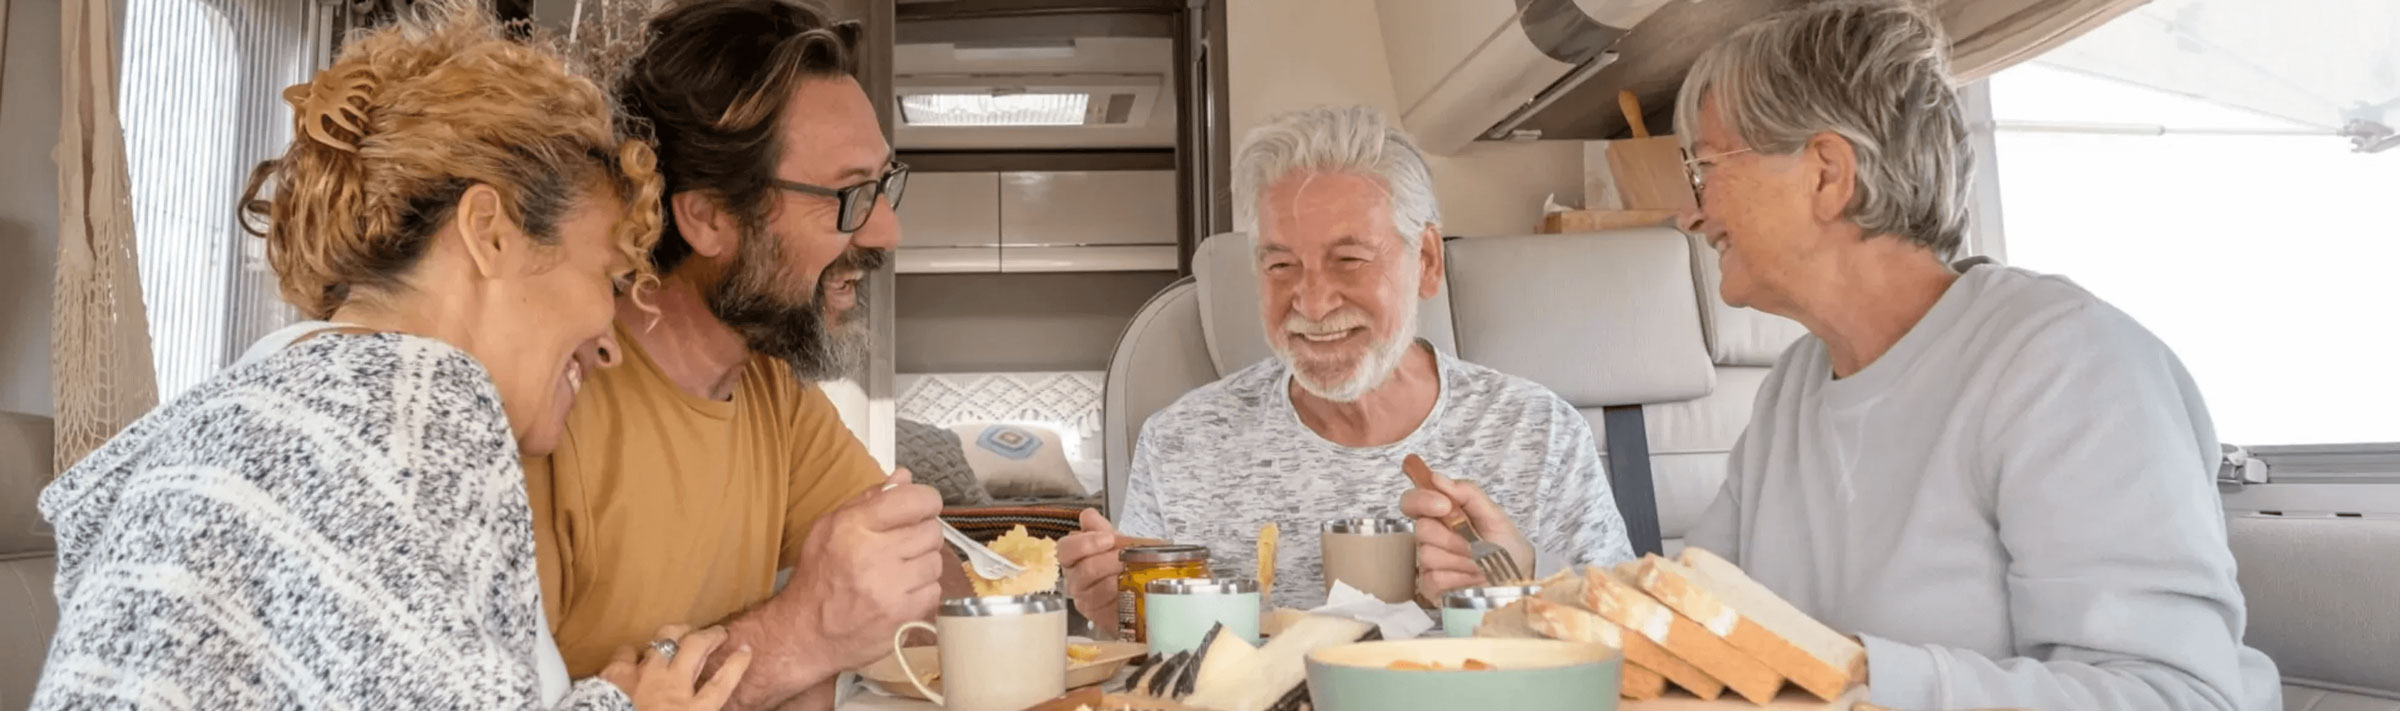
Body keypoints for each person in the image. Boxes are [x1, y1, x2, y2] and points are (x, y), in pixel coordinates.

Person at [32, 4, 745, 709]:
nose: (609, 342)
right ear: (489, 232)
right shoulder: (415, 409)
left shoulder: (249, 415)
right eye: (606, 278)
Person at [1673, 2, 2282, 710]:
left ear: (1827, 174)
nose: (1692, 213)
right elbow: (1694, 622)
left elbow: (2175, 697)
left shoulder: (2065, 364)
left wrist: (1855, 678)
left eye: (1706, 168)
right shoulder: (1792, 388)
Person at [520, 2, 962, 709]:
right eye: (850, 195)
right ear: (709, 217)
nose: (887, 231)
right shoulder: (545, 405)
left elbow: (928, 589)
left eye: (883, 185)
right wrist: (799, 635)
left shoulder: (771, 392)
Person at [1059, 105, 1637, 624]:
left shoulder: (1539, 432)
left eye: (1350, 259)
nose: (1312, 304)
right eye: (1280, 266)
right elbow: (1148, 660)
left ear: (1427, 261)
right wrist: (1119, 616)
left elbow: (1628, 641)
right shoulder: (1178, 444)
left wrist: (1521, 584)